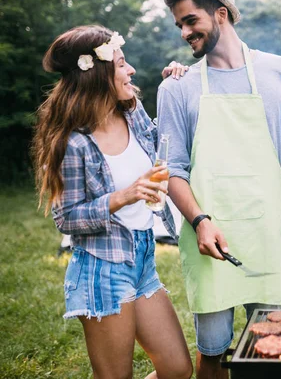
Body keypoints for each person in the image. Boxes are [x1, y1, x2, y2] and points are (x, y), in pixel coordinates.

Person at [157, 0, 281, 377]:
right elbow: (172, 170)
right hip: (209, 239)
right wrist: (200, 221)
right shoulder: (175, 88)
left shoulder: (280, 71)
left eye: (190, 20)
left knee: (271, 345)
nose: (184, 33)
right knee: (213, 353)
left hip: (266, 235)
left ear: (221, 14)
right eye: (179, 24)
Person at [32, 25, 193, 379]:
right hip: (102, 268)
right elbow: (67, 219)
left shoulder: (131, 111)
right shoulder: (72, 143)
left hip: (141, 259)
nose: (130, 70)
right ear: (99, 74)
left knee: (178, 369)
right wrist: (123, 197)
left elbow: (164, 139)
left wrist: (175, 85)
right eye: (121, 64)